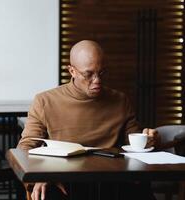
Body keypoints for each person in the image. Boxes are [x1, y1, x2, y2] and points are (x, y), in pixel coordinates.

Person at [17, 40, 160, 200]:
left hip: (111, 180)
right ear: (72, 71)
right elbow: (25, 147)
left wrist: (148, 140)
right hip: (64, 180)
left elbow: (133, 145)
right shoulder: (45, 101)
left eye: (101, 73)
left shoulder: (120, 100)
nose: (97, 80)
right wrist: (40, 174)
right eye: (88, 74)